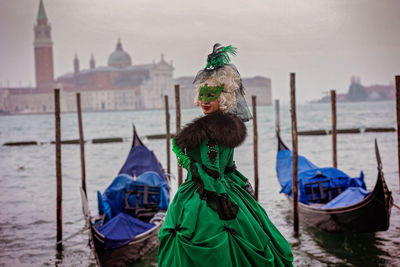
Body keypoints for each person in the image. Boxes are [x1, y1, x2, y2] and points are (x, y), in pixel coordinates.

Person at [158, 44, 294, 266]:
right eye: (202, 95)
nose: (204, 101)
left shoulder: (210, 132)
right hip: (228, 184)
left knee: (193, 237)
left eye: (210, 96)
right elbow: (225, 165)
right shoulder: (226, 126)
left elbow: (210, 170)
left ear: (222, 99)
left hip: (208, 191)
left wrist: (183, 157)